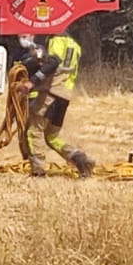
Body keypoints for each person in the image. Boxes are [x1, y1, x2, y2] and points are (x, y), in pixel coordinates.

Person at [18, 32, 94, 178]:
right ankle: (80, 159)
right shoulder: (75, 45)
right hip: (65, 95)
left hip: (51, 92)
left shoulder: (56, 40)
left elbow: (53, 62)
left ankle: (38, 171)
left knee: (34, 131)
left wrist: (32, 81)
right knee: (52, 136)